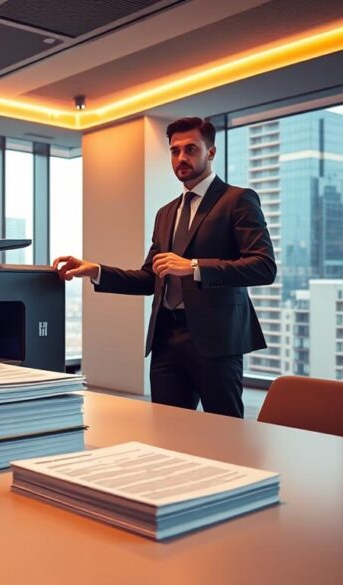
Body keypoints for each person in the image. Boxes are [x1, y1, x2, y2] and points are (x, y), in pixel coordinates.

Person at [53, 117, 276, 418]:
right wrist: (96, 270)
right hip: (166, 338)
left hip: (217, 339)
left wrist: (194, 266)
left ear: (211, 152)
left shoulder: (237, 200)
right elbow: (150, 279)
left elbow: (263, 267)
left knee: (226, 433)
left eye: (191, 149)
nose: (181, 158)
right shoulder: (166, 213)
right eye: (174, 151)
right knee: (166, 430)